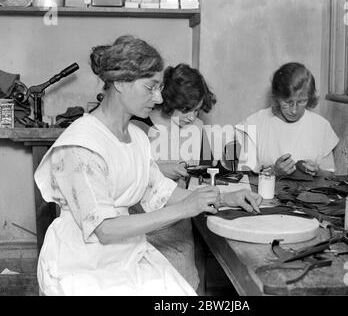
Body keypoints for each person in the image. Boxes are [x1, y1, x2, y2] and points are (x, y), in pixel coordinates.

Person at [34, 35, 262, 296]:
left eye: (159, 88)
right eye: (150, 87)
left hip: (126, 252)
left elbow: (163, 192)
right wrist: (184, 210)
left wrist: (226, 197)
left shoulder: (137, 137)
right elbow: (105, 229)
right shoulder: (81, 144)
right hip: (83, 262)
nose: (157, 98)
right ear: (120, 83)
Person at [131, 63, 217, 291]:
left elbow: (205, 166)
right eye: (186, 110)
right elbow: (129, 174)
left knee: (183, 284)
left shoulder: (196, 127)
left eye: (197, 110)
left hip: (179, 220)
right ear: (169, 102)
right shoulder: (140, 125)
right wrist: (160, 169)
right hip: (143, 223)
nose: (192, 117)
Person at [236, 62, 339, 177]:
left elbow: (330, 176)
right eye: (287, 102)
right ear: (277, 97)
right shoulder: (254, 124)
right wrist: (273, 172)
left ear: (310, 97)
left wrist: (318, 172)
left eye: (301, 102)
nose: (294, 110)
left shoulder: (321, 126)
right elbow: (243, 178)